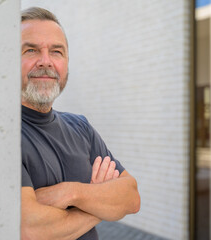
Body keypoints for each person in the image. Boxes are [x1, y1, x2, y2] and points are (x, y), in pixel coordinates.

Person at [21, 7, 141, 240]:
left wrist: (71, 192)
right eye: (31, 50)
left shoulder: (80, 127)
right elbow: (30, 230)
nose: (45, 61)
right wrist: (99, 202)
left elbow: (132, 197)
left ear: (66, 62)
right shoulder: (5, 137)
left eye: (56, 51)